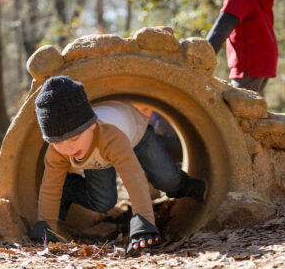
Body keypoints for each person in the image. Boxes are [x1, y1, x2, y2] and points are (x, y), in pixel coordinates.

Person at [29, 76, 206, 254]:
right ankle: (69, 187)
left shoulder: (111, 138)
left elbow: (133, 178)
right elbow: (50, 186)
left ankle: (188, 185)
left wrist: (144, 224)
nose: (68, 148)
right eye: (58, 142)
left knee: (166, 180)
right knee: (102, 201)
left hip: (137, 134)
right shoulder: (58, 151)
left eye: (74, 138)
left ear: (91, 126)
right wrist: (46, 227)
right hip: (98, 154)